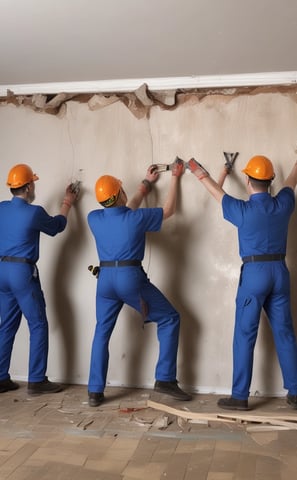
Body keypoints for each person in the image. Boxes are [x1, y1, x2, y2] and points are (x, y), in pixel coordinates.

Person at [187, 155, 297, 411]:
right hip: (280, 272)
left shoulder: (242, 210)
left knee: (245, 336)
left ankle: (240, 396)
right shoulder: (283, 203)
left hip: (254, 274)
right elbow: (292, 181)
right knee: (285, 334)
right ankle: (295, 391)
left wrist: (198, 172)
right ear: (271, 181)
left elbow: (217, 193)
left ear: (247, 180)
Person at [87, 159, 192, 406]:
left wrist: (145, 185)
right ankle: (165, 379)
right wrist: (175, 177)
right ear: (120, 193)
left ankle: (94, 391)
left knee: (101, 331)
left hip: (104, 281)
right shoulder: (136, 219)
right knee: (170, 318)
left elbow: (122, 210)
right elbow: (168, 210)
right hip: (129, 278)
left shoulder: (94, 218)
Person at [0, 163, 79, 395]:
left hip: (1, 270)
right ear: (28, 187)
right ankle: (36, 380)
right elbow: (57, 226)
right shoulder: (34, 212)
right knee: (37, 323)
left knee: (6, 325)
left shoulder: (1, 208)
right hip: (22, 273)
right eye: (33, 183)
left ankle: (1, 377)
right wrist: (68, 202)